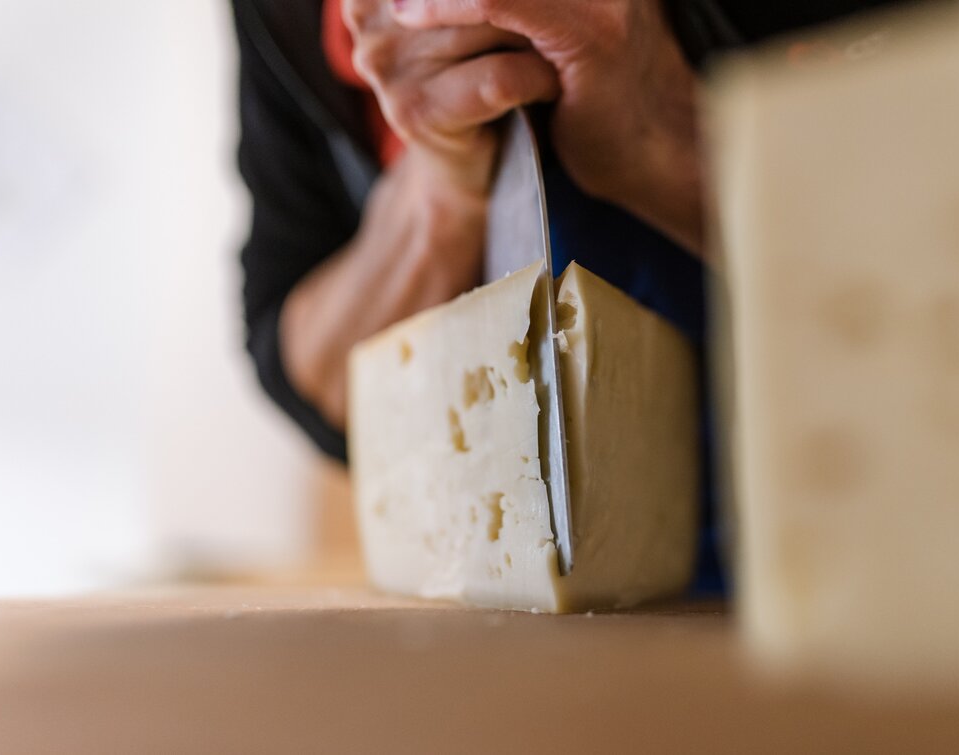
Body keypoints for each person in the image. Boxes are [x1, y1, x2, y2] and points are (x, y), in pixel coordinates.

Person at [232, 0, 901, 592]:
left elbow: (948, 279)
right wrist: (438, 194)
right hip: (522, 647)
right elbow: (303, 365)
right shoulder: (283, 18)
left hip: (870, 556)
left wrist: (662, 134)